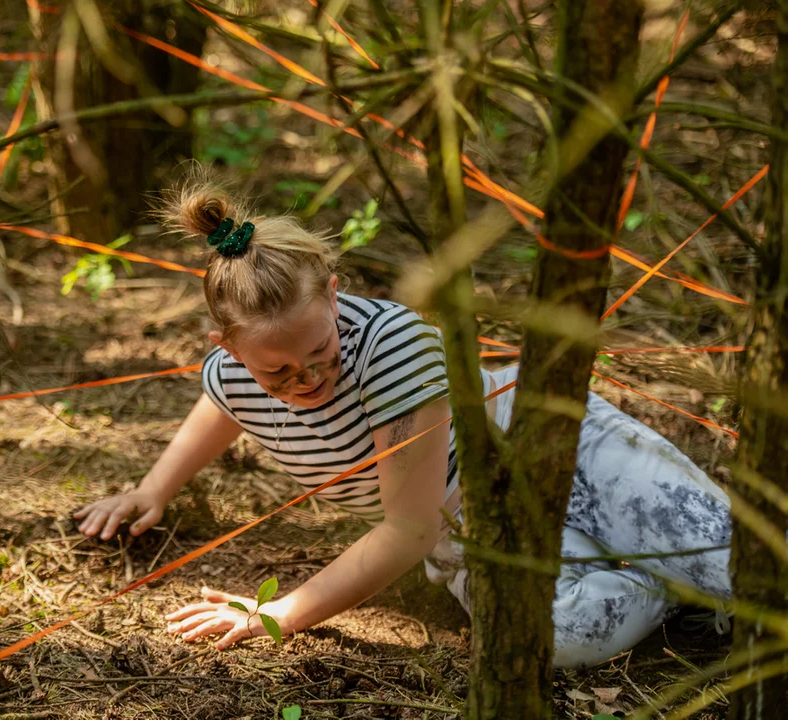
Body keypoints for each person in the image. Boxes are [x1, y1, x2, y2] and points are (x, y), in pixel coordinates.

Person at [73, 173, 733, 668]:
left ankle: (679, 565)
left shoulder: (395, 345)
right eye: (278, 373)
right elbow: (220, 407)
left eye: (319, 356)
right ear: (227, 346)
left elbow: (405, 530)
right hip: (469, 522)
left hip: (562, 448)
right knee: (552, 637)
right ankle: (662, 584)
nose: (306, 382)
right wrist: (153, 488)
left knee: (736, 563)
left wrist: (279, 614)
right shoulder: (230, 374)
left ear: (333, 295)